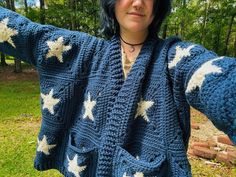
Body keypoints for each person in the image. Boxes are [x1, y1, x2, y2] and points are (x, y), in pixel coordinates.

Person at [0, 0, 235, 176]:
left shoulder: (175, 58)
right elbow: (25, 33)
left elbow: (216, 77)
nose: (138, 2)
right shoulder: (85, 51)